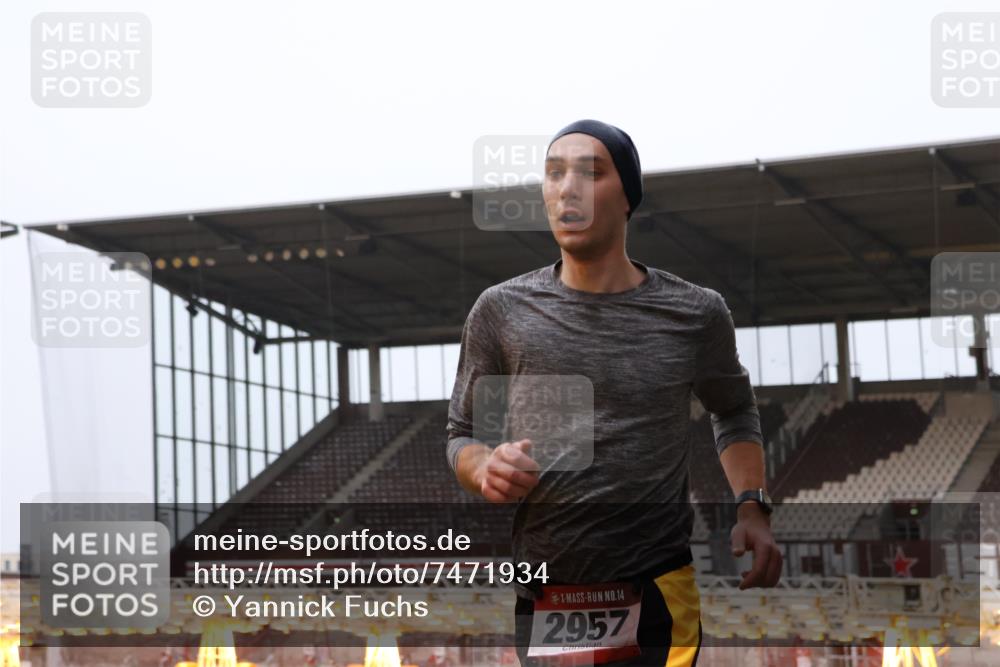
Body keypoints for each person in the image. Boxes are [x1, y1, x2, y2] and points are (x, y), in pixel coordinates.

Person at [446, 119, 782, 667]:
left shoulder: (695, 312)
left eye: (591, 172)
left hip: (657, 589)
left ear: (628, 196)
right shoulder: (501, 311)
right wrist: (484, 466)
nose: (567, 188)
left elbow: (735, 409)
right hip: (547, 592)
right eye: (553, 174)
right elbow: (462, 436)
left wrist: (753, 506)